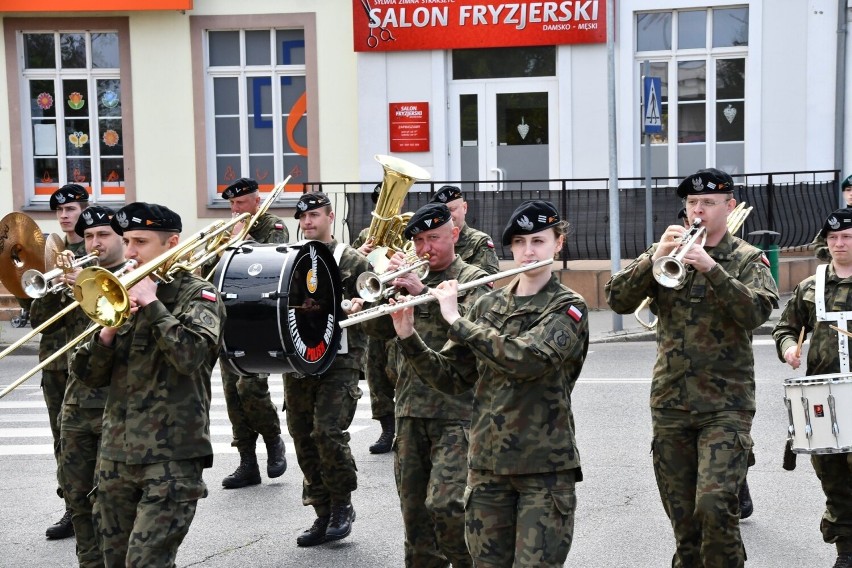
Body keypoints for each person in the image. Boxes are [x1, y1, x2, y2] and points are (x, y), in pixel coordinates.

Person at [390, 200, 588, 567]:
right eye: (520, 242)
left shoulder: (567, 306)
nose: (528, 251)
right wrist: (408, 336)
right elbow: (451, 377)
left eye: (539, 241)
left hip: (543, 468)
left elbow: (528, 360)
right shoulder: (489, 305)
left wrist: (455, 318)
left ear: (558, 243)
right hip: (487, 468)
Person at [605, 168, 779, 567]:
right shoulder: (666, 251)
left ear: (729, 207)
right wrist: (655, 258)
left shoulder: (747, 259)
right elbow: (616, 299)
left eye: (708, 203)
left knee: (716, 507)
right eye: (692, 203)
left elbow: (756, 312)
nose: (697, 211)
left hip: (726, 404)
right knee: (683, 521)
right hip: (670, 402)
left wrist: (712, 269)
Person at [70, 202, 225, 567]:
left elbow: (190, 357)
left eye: (140, 241)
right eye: (126, 241)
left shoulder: (198, 295)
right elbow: (88, 376)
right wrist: (107, 330)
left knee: (146, 562)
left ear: (171, 243)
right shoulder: (119, 295)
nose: (130, 252)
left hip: (171, 457)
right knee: (112, 561)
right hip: (116, 454)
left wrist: (153, 303)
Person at [385, 203, 490, 567]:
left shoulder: (475, 280)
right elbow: (379, 333)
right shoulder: (406, 279)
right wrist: (366, 303)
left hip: (456, 413)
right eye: (418, 240)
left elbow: (474, 333)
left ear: (455, 235)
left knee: (448, 505)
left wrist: (423, 293)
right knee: (415, 521)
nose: (424, 248)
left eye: (433, 238)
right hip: (410, 410)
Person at [35, 206, 126, 566]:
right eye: (89, 236)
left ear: (121, 238)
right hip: (75, 401)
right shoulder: (75, 275)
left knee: (112, 500)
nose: (95, 243)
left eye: (103, 235)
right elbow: (43, 324)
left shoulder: (132, 278)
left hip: (115, 402)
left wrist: (92, 290)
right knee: (77, 496)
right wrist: (60, 288)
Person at [285, 192, 371, 546]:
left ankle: (341, 504)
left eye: (315, 216)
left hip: (340, 359)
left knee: (327, 432)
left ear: (330, 217)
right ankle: (321, 511)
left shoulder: (350, 259)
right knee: (302, 434)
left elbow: (372, 304)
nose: (308, 223)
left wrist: (355, 308)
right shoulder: (292, 258)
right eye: (303, 218)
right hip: (301, 357)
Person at [772, 207, 852, 568]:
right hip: (824, 394)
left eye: (847, 237)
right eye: (833, 238)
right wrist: (789, 346)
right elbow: (786, 327)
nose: (839, 243)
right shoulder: (811, 285)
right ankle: (846, 550)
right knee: (833, 477)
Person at [216, 178, 289, 489]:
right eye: (232, 204)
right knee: (232, 393)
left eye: (241, 203)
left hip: (259, 317)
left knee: (251, 388)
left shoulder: (274, 227)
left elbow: (270, 263)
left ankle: (273, 441)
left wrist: (237, 241)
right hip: (229, 318)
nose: (235, 209)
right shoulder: (226, 229)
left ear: (256, 202)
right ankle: (247, 461)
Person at [31, 183, 89, 540]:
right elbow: (38, 318)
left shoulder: (95, 249)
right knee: (62, 439)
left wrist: (79, 283)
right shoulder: (50, 255)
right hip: (54, 361)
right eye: (60, 212)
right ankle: (72, 505)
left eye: (71, 210)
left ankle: (98, 503)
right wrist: (52, 289)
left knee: (89, 436)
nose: (65, 217)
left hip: (86, 358)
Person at [352, 183, 398, 454]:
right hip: (373, 312)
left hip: (397, 309)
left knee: (398, 371)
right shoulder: (365, 235)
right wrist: (363, 257)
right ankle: (386, 429)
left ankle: (402, 429)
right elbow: (354, 275)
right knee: (375, 373)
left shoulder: (409, 230)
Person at [430, 185, 500, 275]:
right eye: (441, 213)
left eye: (452, 209)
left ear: (465, 208)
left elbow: (486, 279)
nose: (447, 216)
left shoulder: (480, 241)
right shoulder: (429, 242)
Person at [813, 174, 852, 261]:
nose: (851, 193)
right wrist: (841, 257)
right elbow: (818, 245)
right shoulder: (838, 217)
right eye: (848, 190)